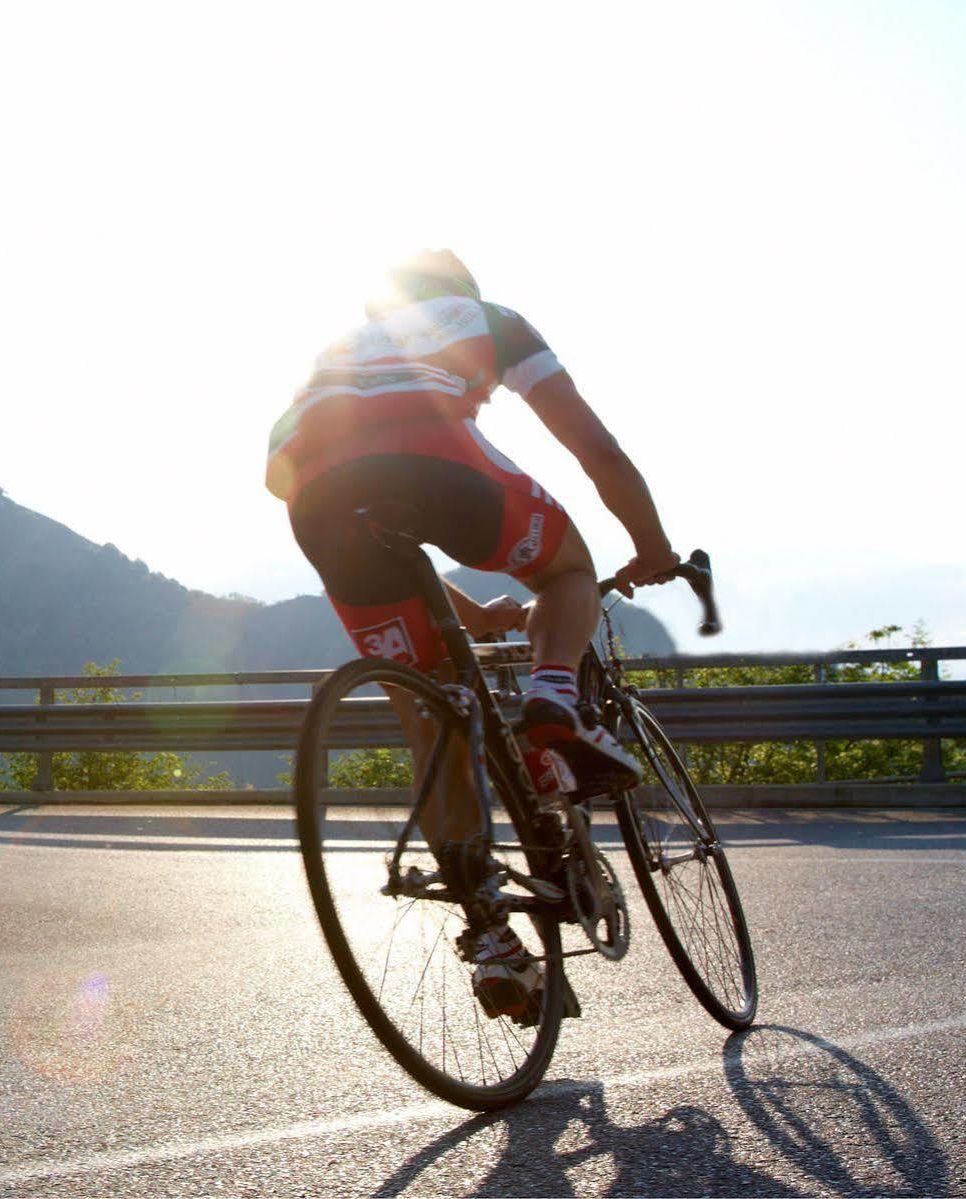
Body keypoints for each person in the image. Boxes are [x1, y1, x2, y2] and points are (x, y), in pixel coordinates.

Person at [267, 249, 680, 1018]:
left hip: (316, 501)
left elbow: (289, 473)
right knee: (566, 573)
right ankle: (553, 696)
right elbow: (598, 451)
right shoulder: (489, 321)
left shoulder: (336, 355)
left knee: (430, 715)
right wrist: (650, 546)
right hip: (438, 462)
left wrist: (474, 611)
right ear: (460, 292)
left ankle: (490, 936)